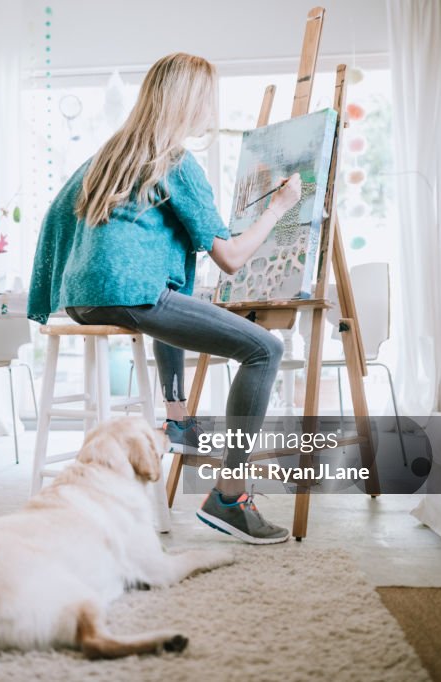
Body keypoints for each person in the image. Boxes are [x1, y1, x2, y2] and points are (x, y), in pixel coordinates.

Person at [28, 53, 302, 544]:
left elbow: (54, 220)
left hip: (83, 299)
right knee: (266, 349)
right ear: (191, 102)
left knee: (170, 295)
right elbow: (232, 258)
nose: (210, 112)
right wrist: (279, 208)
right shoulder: (174, 160)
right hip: (127, 295)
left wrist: (58, 286)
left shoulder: (110, 156)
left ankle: (176, 421)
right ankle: (229, 496)